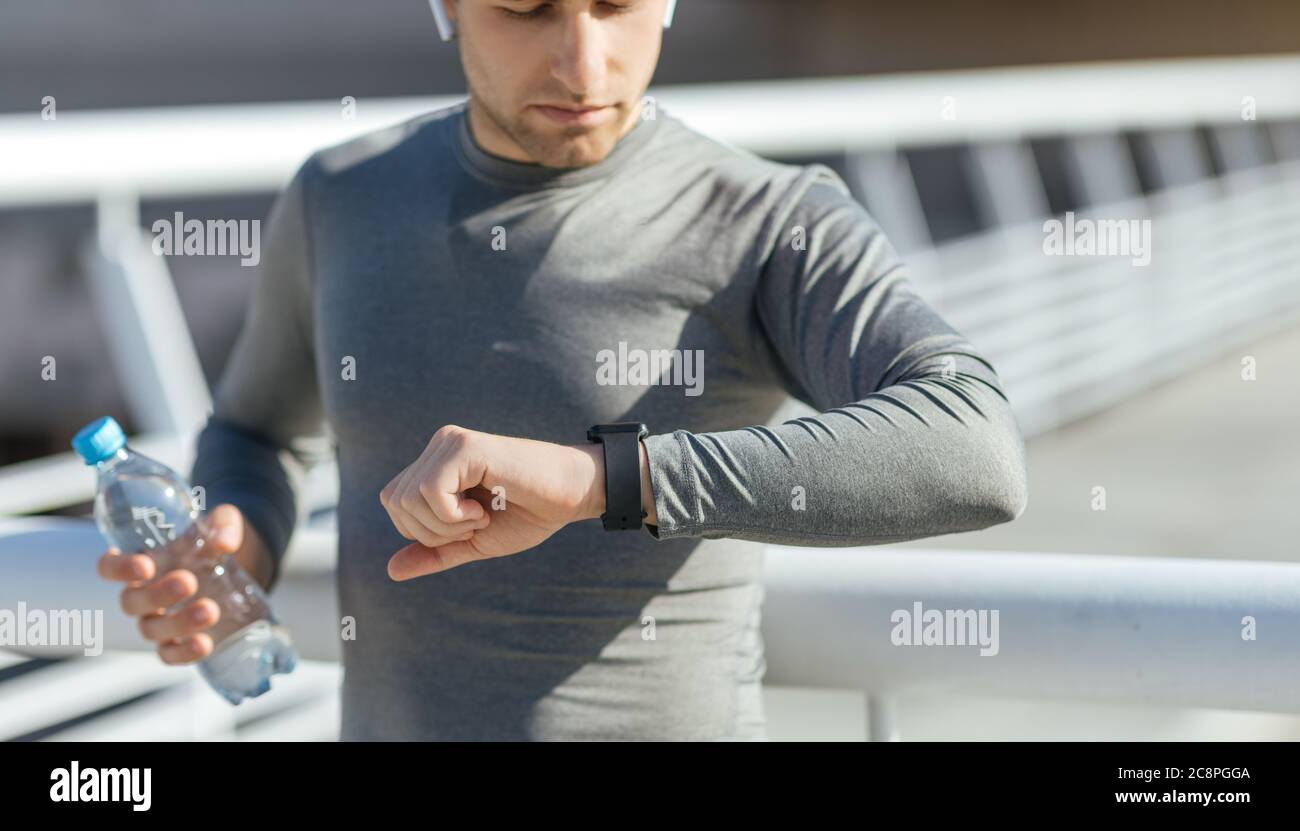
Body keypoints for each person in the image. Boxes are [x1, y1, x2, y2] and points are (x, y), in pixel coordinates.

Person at [98, 0, 1029, 740]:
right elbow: (256, 429)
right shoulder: (341, 195)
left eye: (618, 7)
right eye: (528, 8)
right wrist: (237, 535)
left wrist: (606, 479)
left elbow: (975, 446)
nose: (585, 67)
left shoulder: (769, 216)